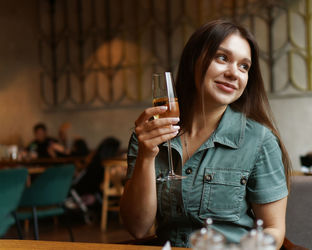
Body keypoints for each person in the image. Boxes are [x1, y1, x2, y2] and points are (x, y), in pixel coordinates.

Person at [120, 20, 291, 248]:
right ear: (194, 60)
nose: (233, 73)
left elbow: (274, 229)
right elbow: (138, 228)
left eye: (244, 66)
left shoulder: (259, 140)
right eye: (222, 58)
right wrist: (146, 156)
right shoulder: (149, 136)